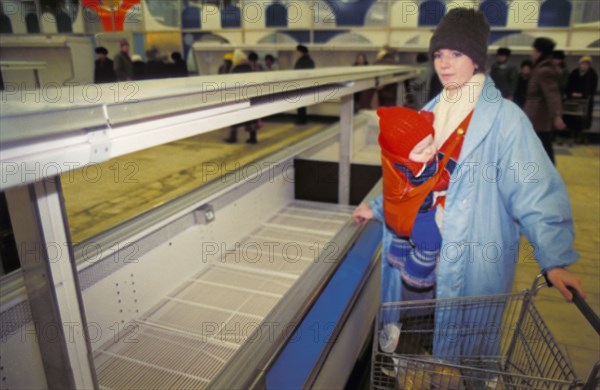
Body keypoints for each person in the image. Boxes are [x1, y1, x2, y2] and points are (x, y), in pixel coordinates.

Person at [353, 8, 584, 359]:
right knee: (416, 341)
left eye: (456, 54)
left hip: (470, 259)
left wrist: (554, 259)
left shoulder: (505, 120)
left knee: (459, 354)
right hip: (423, 256)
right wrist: (379, 207)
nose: (444, 64)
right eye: (439, 55)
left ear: (476, 58)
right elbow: (413, 178)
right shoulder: (432, 110)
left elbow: (535, 190)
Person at [524, 37, 566, 165]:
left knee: (542, 142)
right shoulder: (540, 69)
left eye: (534, 50)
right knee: (539, 143)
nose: (532, 53)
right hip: (536, 115)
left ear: (540, 52)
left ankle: (549, 171)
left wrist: (557, 115)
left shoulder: (544, 71)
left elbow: (552, 94)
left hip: (538, 116)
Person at [224, 49, 259, 144]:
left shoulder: (237, 68)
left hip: (239, 96)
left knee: (235, 116)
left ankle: (232, 137)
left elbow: (231, 82)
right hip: (249, 96)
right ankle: (253, 137)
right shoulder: (249, 67)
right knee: (251, 117)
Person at [564, 56, 598, 143]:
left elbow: (592, 88)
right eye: (583, 63)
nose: (584, 66)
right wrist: (571, 93)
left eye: (587, 64)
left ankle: (579, 135)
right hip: (573, 100)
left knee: (582, 119)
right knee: (571, 117)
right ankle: (571, 135)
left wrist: (583, 94)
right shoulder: (574, 73)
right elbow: (569, 85)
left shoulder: (592, 75)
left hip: (585, 101)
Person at [293, 45, 315, 125]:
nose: (295, 53)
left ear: (300, 52)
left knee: (300, 103)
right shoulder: (309, 60)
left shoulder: (302, 61)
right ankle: (302, 119)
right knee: (302, 103)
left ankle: (301, 119)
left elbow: (297, 72)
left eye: (297, 51)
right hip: (305, 84)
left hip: (301, 84)